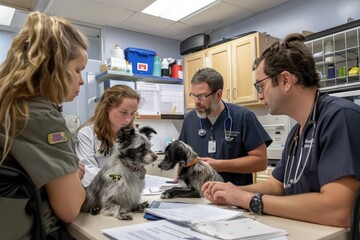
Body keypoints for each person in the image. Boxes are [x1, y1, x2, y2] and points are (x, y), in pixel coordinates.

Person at [202, 33, 360, 228]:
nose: (260, 96)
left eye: (261, 86)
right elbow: (276, 186)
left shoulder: (340, 117)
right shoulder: (297, 132)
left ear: (285, 80)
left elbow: (338, 210)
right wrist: (231, 192)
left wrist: (248, 200)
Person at [0, 11, 88, 239]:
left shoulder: (11, 106)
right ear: (54, 66)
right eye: (78, 70)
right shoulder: (40, 114)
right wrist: (74, 179)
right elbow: (69, 209)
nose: (81, 80)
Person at [178, 67, 272, 186]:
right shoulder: (189, 119)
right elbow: (182, 157)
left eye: (201, 96)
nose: (196, 101)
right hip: (197, 196)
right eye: (193, 95)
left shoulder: (243, 117)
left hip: (233, 199)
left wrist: (218, 165)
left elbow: (261, 162)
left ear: (218, 94)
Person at [74, 84, 141, 187]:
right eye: (123, 112)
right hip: (98, 191)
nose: (128, 119)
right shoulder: (86, 133)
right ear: (107, 108)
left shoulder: (133, 135)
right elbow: (88, 170)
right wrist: (118, 179)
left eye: (132, 113)